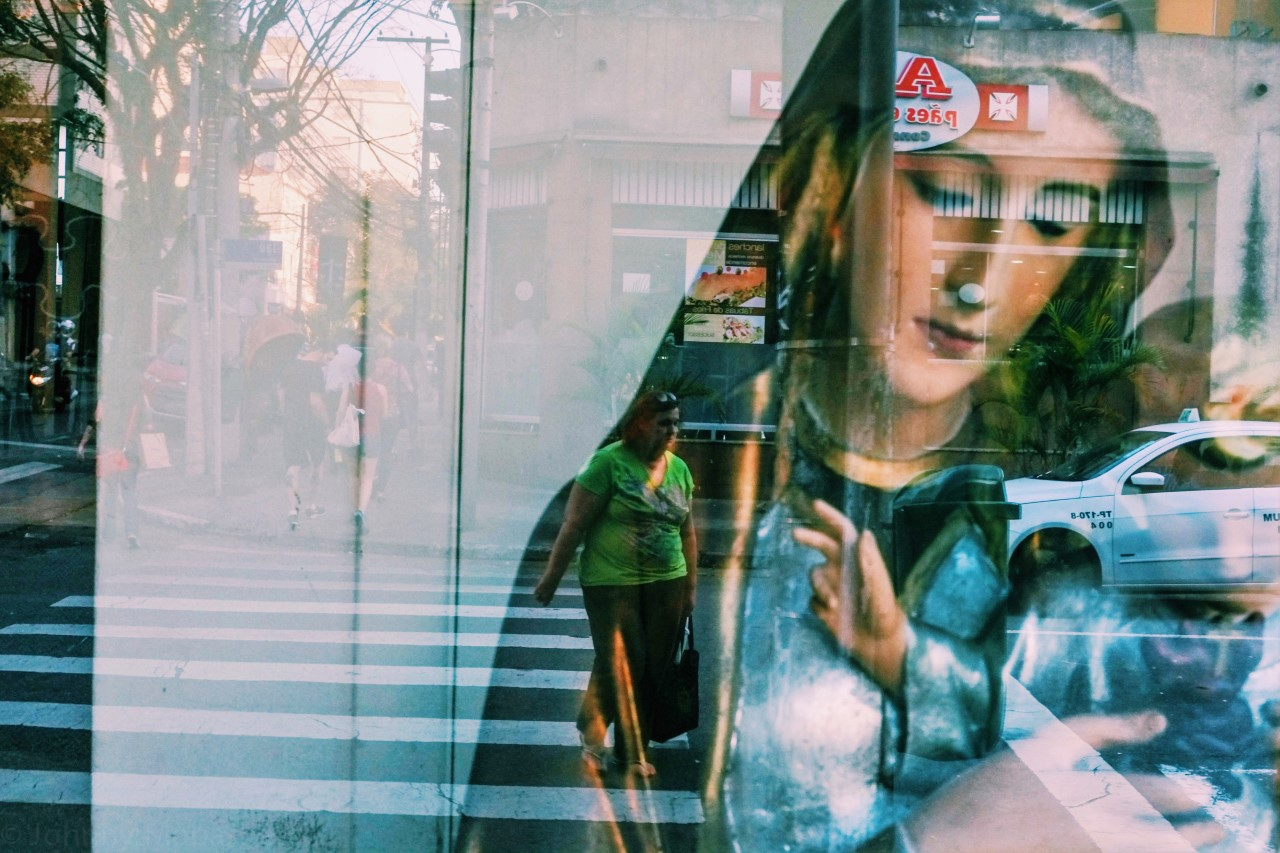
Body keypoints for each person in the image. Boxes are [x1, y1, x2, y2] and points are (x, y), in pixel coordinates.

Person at [533, 390, 697, 779]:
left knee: (653, 669)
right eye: (664, 423)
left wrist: (690, 588)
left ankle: (631, 750)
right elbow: (574, 524)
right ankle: (592, 734)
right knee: (622, 661)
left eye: (676, 423)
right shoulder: (607, 463)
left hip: (667, 582)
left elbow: (687, 531)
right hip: (611, 582)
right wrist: (551, 578)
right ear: (640, 424)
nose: (672, 431)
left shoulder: (679, 468)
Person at [278, 341, 329, 529]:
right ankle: (311, 505)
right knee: (317, 464)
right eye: (328, 357)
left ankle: (292, 510)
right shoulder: (316, 371)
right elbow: (315, 401)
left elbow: (281, 395)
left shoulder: (289, 367)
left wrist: (287, 415)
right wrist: (327, 423)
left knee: (293, 465)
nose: (327, 361)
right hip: (312, 425)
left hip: (292, 424)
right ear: (320, 351)